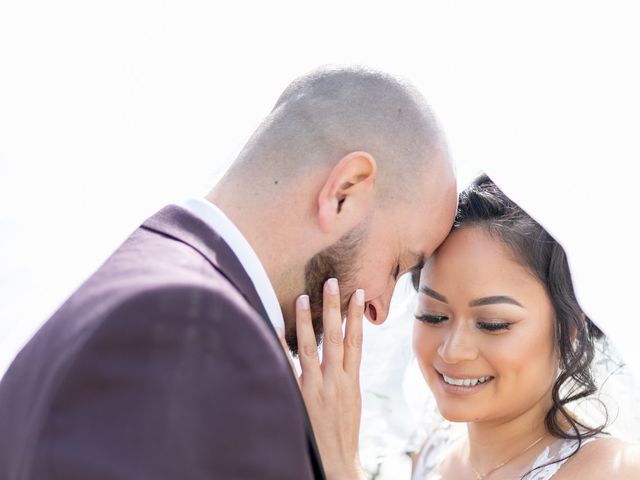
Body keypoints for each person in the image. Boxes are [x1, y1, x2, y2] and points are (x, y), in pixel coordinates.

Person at [0, 65, 457, 479]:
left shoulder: (124, 296)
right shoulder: (202, 335)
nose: (378, 310)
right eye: (399, 265)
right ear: (343, 192)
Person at [299, 174, 640, 479]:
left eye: (492, 324)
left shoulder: (612, 470)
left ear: (568, 330)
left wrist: (341, 466)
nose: (452, 350)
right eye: (433, 316)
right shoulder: (431, 453)